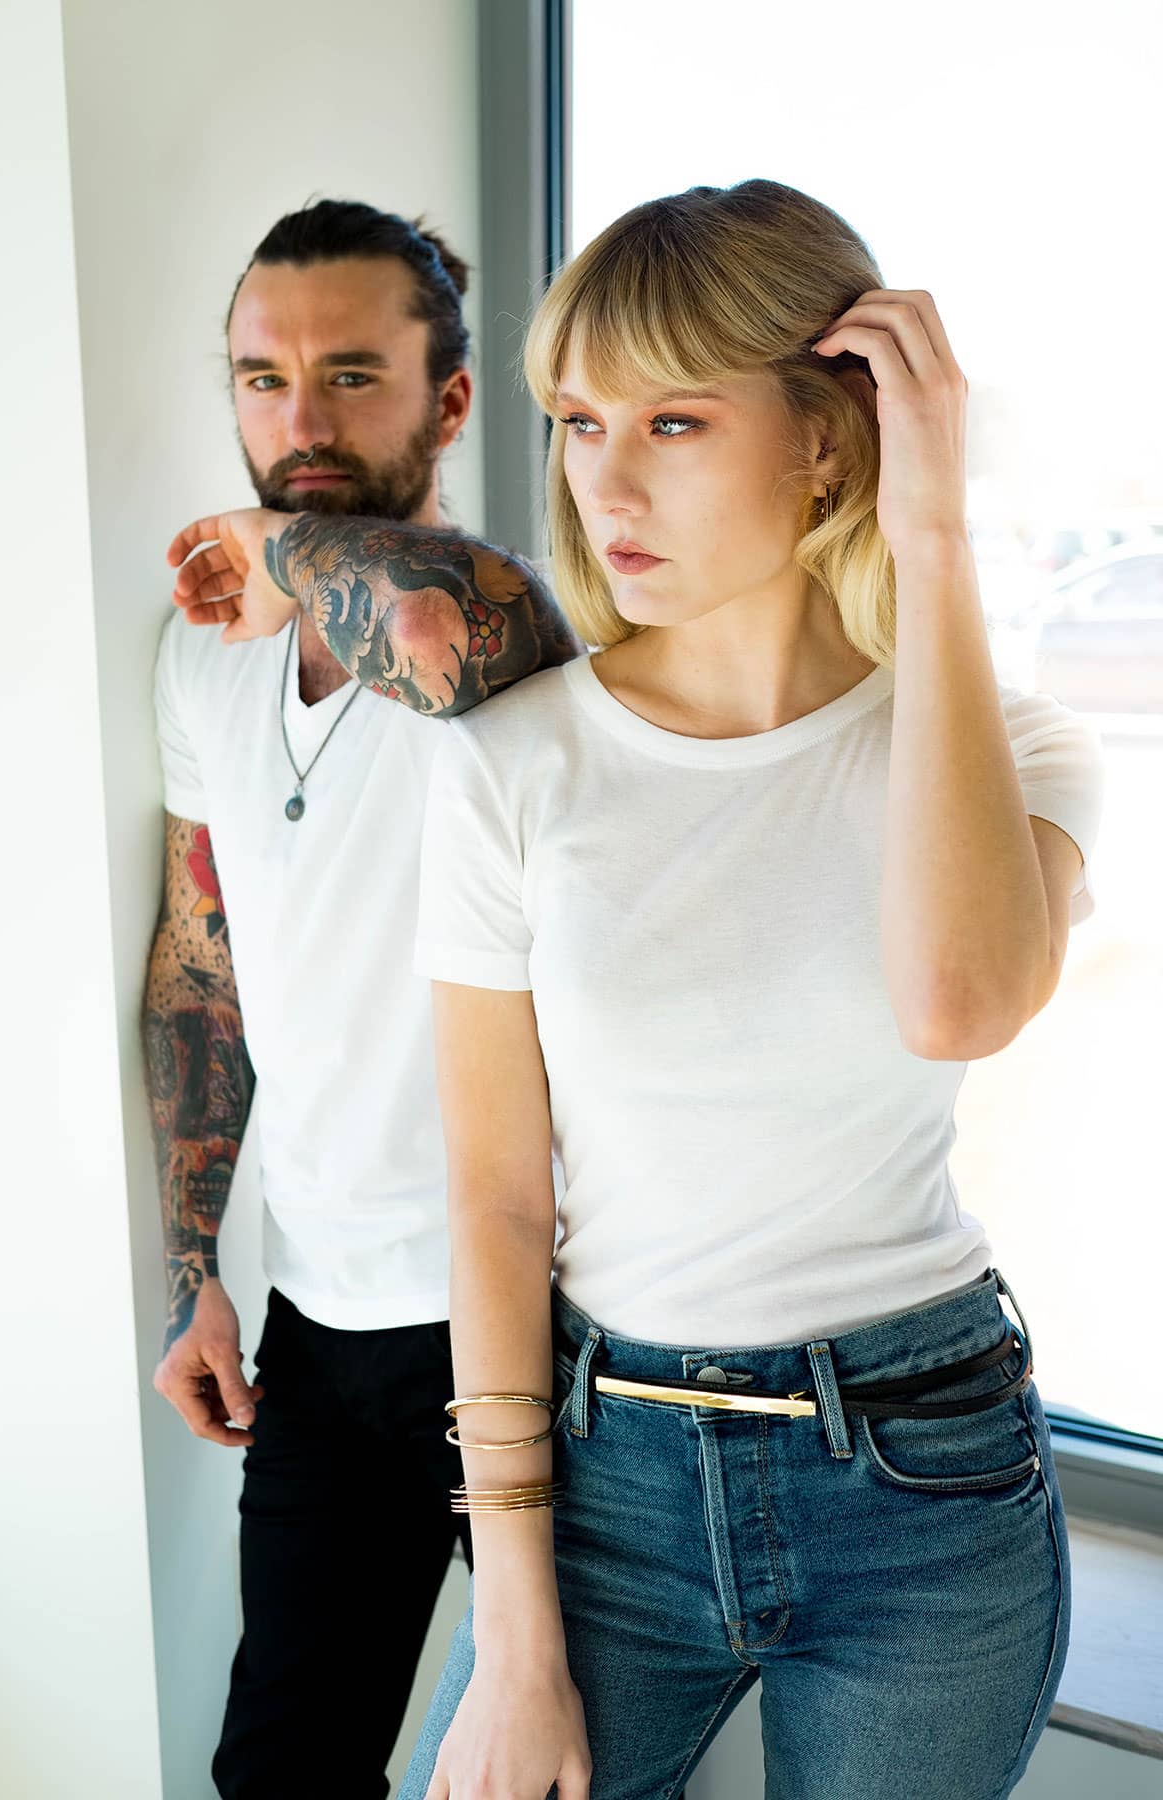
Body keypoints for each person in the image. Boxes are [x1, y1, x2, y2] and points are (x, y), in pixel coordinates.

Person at [168, 182, 1104, 1799]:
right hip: (613, 1468)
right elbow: (495, 1204)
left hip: (923, 1474)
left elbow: (959, 1005)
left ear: (830, 442)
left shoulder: (1006, 745)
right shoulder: (515, 759)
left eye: (673, 421)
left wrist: (935, 537)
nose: (605, 481)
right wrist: (517, 1640)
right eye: (582, 421)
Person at [144, 198, 579, 1800]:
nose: (300, 422)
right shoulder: (199, 658)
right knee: (280, 1771)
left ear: (450, 402)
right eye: (262, 380)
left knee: (563, 1770)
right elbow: (204, 966)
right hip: (322, 1331)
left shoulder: (526, 628)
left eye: (349, 376)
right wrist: (193, 1269)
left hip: (547, 1320)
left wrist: (272, 548)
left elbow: (443, 630)